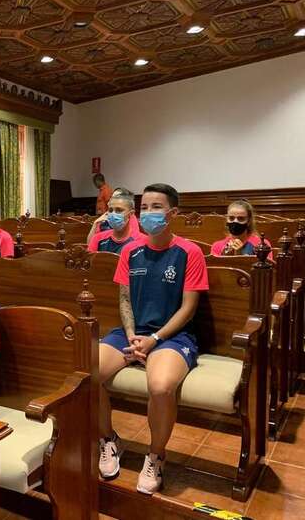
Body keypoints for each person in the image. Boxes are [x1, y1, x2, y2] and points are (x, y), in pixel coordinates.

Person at [97, 183, 209, 495]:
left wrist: (155, 338)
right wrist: (132, 336)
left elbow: (188, 308)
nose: (148, 213)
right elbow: (124, 299)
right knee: (87, 374)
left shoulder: (189, 252)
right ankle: (108, 439)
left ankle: (156, 455)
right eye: (144, 207)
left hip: (173, 336)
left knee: (160, 387)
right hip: (132, 332)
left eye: (156, 207)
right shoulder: (129, 251)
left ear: (172, 213)